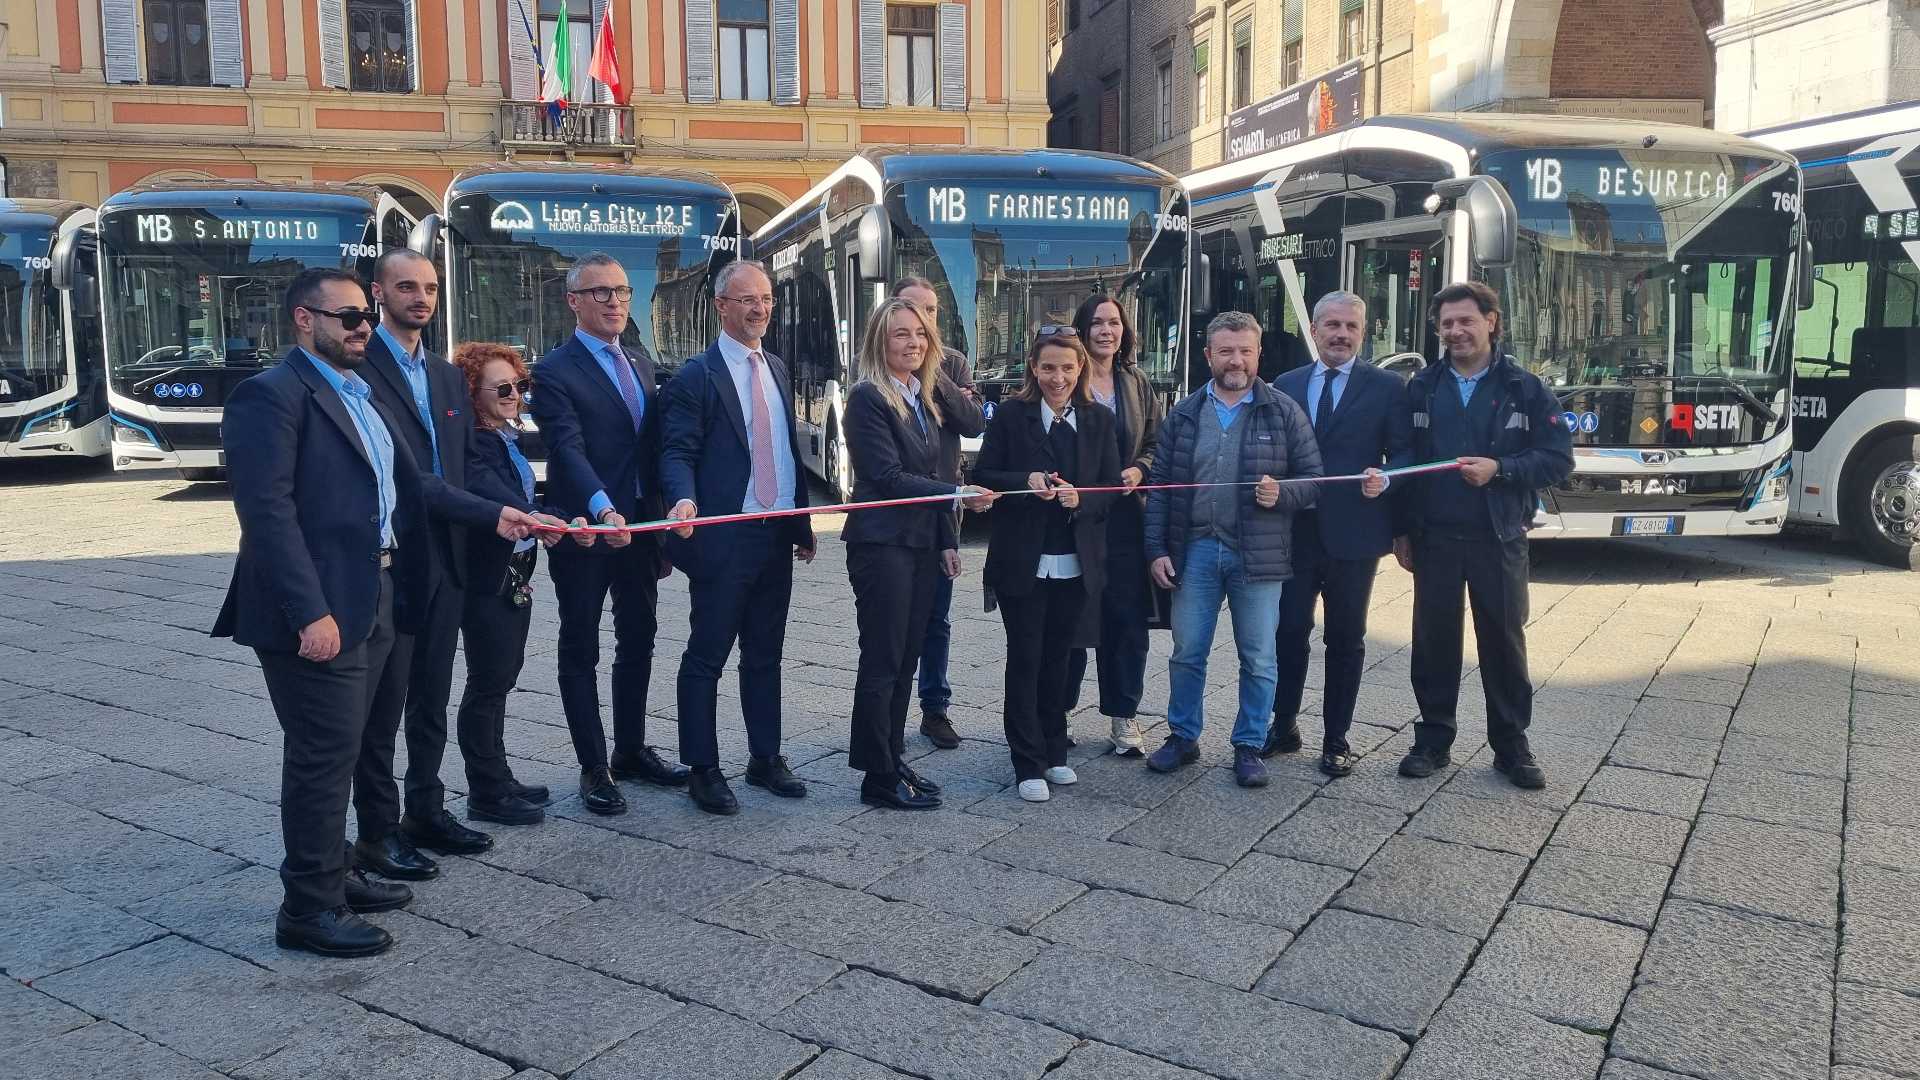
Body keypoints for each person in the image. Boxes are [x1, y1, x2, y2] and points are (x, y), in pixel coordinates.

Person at [214, 269, 535, 958]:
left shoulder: (357, 393)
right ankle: (309, 907)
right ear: (305, 320)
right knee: (322, 756)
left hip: (380, 591)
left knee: (358, 743)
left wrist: (494, 515)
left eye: (365, 315)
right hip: (320, 607)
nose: (363, 327)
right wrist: (309, 613)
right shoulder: (271, 395)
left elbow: (414, 485)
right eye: (349, 317)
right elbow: (267, 515)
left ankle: (339, 871)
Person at [1393, 281, 1573, 789]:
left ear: (1491, 322)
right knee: (1433, 643)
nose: (1456, 331)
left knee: (1503, 641)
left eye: (1466, 321)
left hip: (1499, 536)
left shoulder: (1525, 388)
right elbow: (1404, 460)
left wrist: (1502, 469)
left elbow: (1558, 459)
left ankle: (1512, 746)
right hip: (1435, 538)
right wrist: (1400, 527)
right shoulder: (1421, 387)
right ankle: (1433, 740)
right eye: (1447, 323)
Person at [355, 248, 499, 879]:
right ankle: (378, 829)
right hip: (391, 557)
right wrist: (495, 514)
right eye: (407, 287)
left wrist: (526, 513)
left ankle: (426, 809)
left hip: (450, 554)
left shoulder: (445, 374)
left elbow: (465, 465)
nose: (421, 298)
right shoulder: (359, 366)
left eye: (430, 288)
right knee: (383, 705)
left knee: (433, 693)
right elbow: (407, 476)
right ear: (377, 294)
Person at [531, 252, 690, 817]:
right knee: (581, 644)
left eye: (622, 291)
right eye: (601, 292)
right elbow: (567, 449)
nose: (615, 301)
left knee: (639, 637)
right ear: (574, 301)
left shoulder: (640, 363)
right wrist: (602, 510)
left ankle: (630, 749)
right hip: (585, 530)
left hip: (640, 527)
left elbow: (651, 450)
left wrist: (664, 515)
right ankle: (593, 766)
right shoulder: (554, 371)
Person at [661, 260, 815, 815]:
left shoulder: (775, 366)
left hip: (775, 536)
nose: (760, 309)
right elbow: (677, 450)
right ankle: (702, 768)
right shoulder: (696, 377)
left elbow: (785, 449)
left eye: (767, 299)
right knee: (707, 655)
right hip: (725, 536)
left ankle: (765, 758)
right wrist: (683, 499)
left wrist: (800, 523)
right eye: (748, 299)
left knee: (766, 653)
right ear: (721, 306)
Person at [1143, 311, 1323, 788]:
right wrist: (1156, 549)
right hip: (1196, 550)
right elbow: (1160, 486)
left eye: (1245, 350)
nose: (1236, 360)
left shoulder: (1283, 411)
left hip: (1258, 555)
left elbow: (1314, 480)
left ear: (1258, 354)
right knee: (1187, 651)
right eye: (1226, 351)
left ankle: (1249, 744)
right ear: (1208, 356)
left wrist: (1282, 493)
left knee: (1259, 656)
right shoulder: (1185, 414)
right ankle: (1183, 736)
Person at [842, 297, 994, 810]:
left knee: (907, 657)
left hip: (922, 544)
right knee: (883, 659)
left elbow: (940, 467)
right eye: (901, 334)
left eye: (921, 334)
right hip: (882, 544)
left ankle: (892, 757)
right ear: (879, 341)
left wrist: (948, 539)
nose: (913, 343)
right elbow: (887, 478)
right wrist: (957, 497)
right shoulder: (868, 397)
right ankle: (876, 774)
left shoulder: (923, 395)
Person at [1265, 292, 1412, 777]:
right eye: (1332, 325)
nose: (1341, 334)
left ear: (1363, 333)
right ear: (1313, 329)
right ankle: (1284, 725)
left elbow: (1405, 455)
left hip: (1355, 534)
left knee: (1346, 638)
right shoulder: (1286, 384)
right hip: (1295, 532)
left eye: (1351, 326)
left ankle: (1336, 738)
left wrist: (1386, 478)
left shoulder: (1387, 387)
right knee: (1288, 632)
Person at [972, 327, 1121, 802]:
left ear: (1081, 369)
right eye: (1049, 367)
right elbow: (983, 473)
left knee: (1061, 659)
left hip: (1076, 561)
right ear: (1034, 369)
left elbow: (1111, 487)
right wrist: (1026, 478)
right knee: (1025, 658)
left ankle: (1055, 748)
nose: (1058, 377)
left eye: (1067, 368)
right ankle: (1027, 760)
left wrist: (1082, 499)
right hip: (1022, 560)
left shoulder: (1098, 420)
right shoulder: (1010, 416)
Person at [450, 342, 583, 826]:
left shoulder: (505, 436)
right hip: (488, 575)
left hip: (515, 570)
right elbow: (494, 494)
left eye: (520, 385)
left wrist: (561, 517)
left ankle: (499, 776)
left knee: (502, 675)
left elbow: (525, 497)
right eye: (502, 389)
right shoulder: (475, 442)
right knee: (488, 679)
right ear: (473, 393)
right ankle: (486, 790)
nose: (515, 395)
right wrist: (543, 518)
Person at [1062, 294, 1162, 756]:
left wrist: (1140, 468)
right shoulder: (1065, 377)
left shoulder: (1136, 382)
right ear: (1083, 329)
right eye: (1098, 322)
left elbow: (1157, 442)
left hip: (1124, 519)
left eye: (1115, 322)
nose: (1107, 330)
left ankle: (1124, 715)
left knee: (1126, 620)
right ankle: (1058, 711)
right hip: (1073, 519)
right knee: (1071, 618)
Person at [893, 277, 986, 751]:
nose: (923, 321)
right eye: (913, 310)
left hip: (945, 506)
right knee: (896, 620)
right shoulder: (883, 363)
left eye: (930, 311)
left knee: (937, 617)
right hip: (899, 512)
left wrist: (936, 372)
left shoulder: (953, 362)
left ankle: (935, 708)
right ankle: (890, 711)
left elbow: (973, 422)